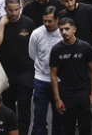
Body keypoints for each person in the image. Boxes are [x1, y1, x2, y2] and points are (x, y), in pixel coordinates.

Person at [0, 0, 34, 135]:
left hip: (25, 72)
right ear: (5, 9)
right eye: (11, 10)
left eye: (16, 10)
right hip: (6, 74)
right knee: (8, 108)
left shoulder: (28, 23)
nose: (14, 13)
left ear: (20, 8)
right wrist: (2, 24)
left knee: (24, 107)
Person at [50, 17, 92, 135]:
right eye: (61, 30)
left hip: (83, 93)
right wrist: (57, 98)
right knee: (68, 129)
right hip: (66, 94)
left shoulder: (85, 47)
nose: (64, 32)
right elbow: (53, 74)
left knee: (86, 128)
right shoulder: (56, 50)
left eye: (67, 29)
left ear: (74, 29)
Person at [29, 7, 63, 135]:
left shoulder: (63, 33)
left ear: (57, 20)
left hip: (60, 81)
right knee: (39, 117)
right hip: (41, 80)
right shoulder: (36, 34)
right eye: (45, 21)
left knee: (60, 118)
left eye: (50, 21)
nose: (47, 24)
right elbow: (32, 54)